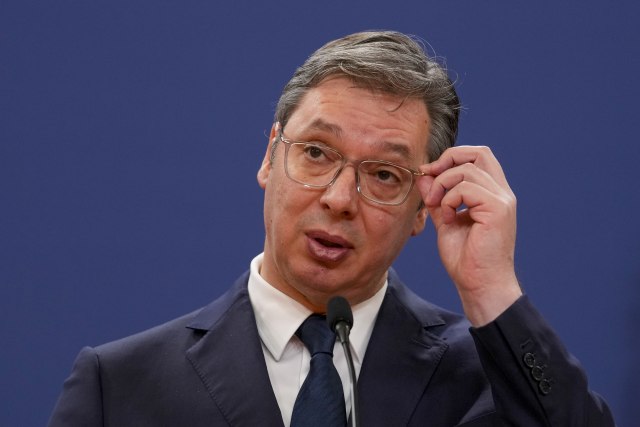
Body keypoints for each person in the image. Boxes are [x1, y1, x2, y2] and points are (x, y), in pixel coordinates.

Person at [48, 30, 615, 426]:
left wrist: (492, 290)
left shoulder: (489, 378)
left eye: (385, 174)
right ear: (270, 156)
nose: (340, 199)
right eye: (317, 153)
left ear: (423, 207)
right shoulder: (119, 386)